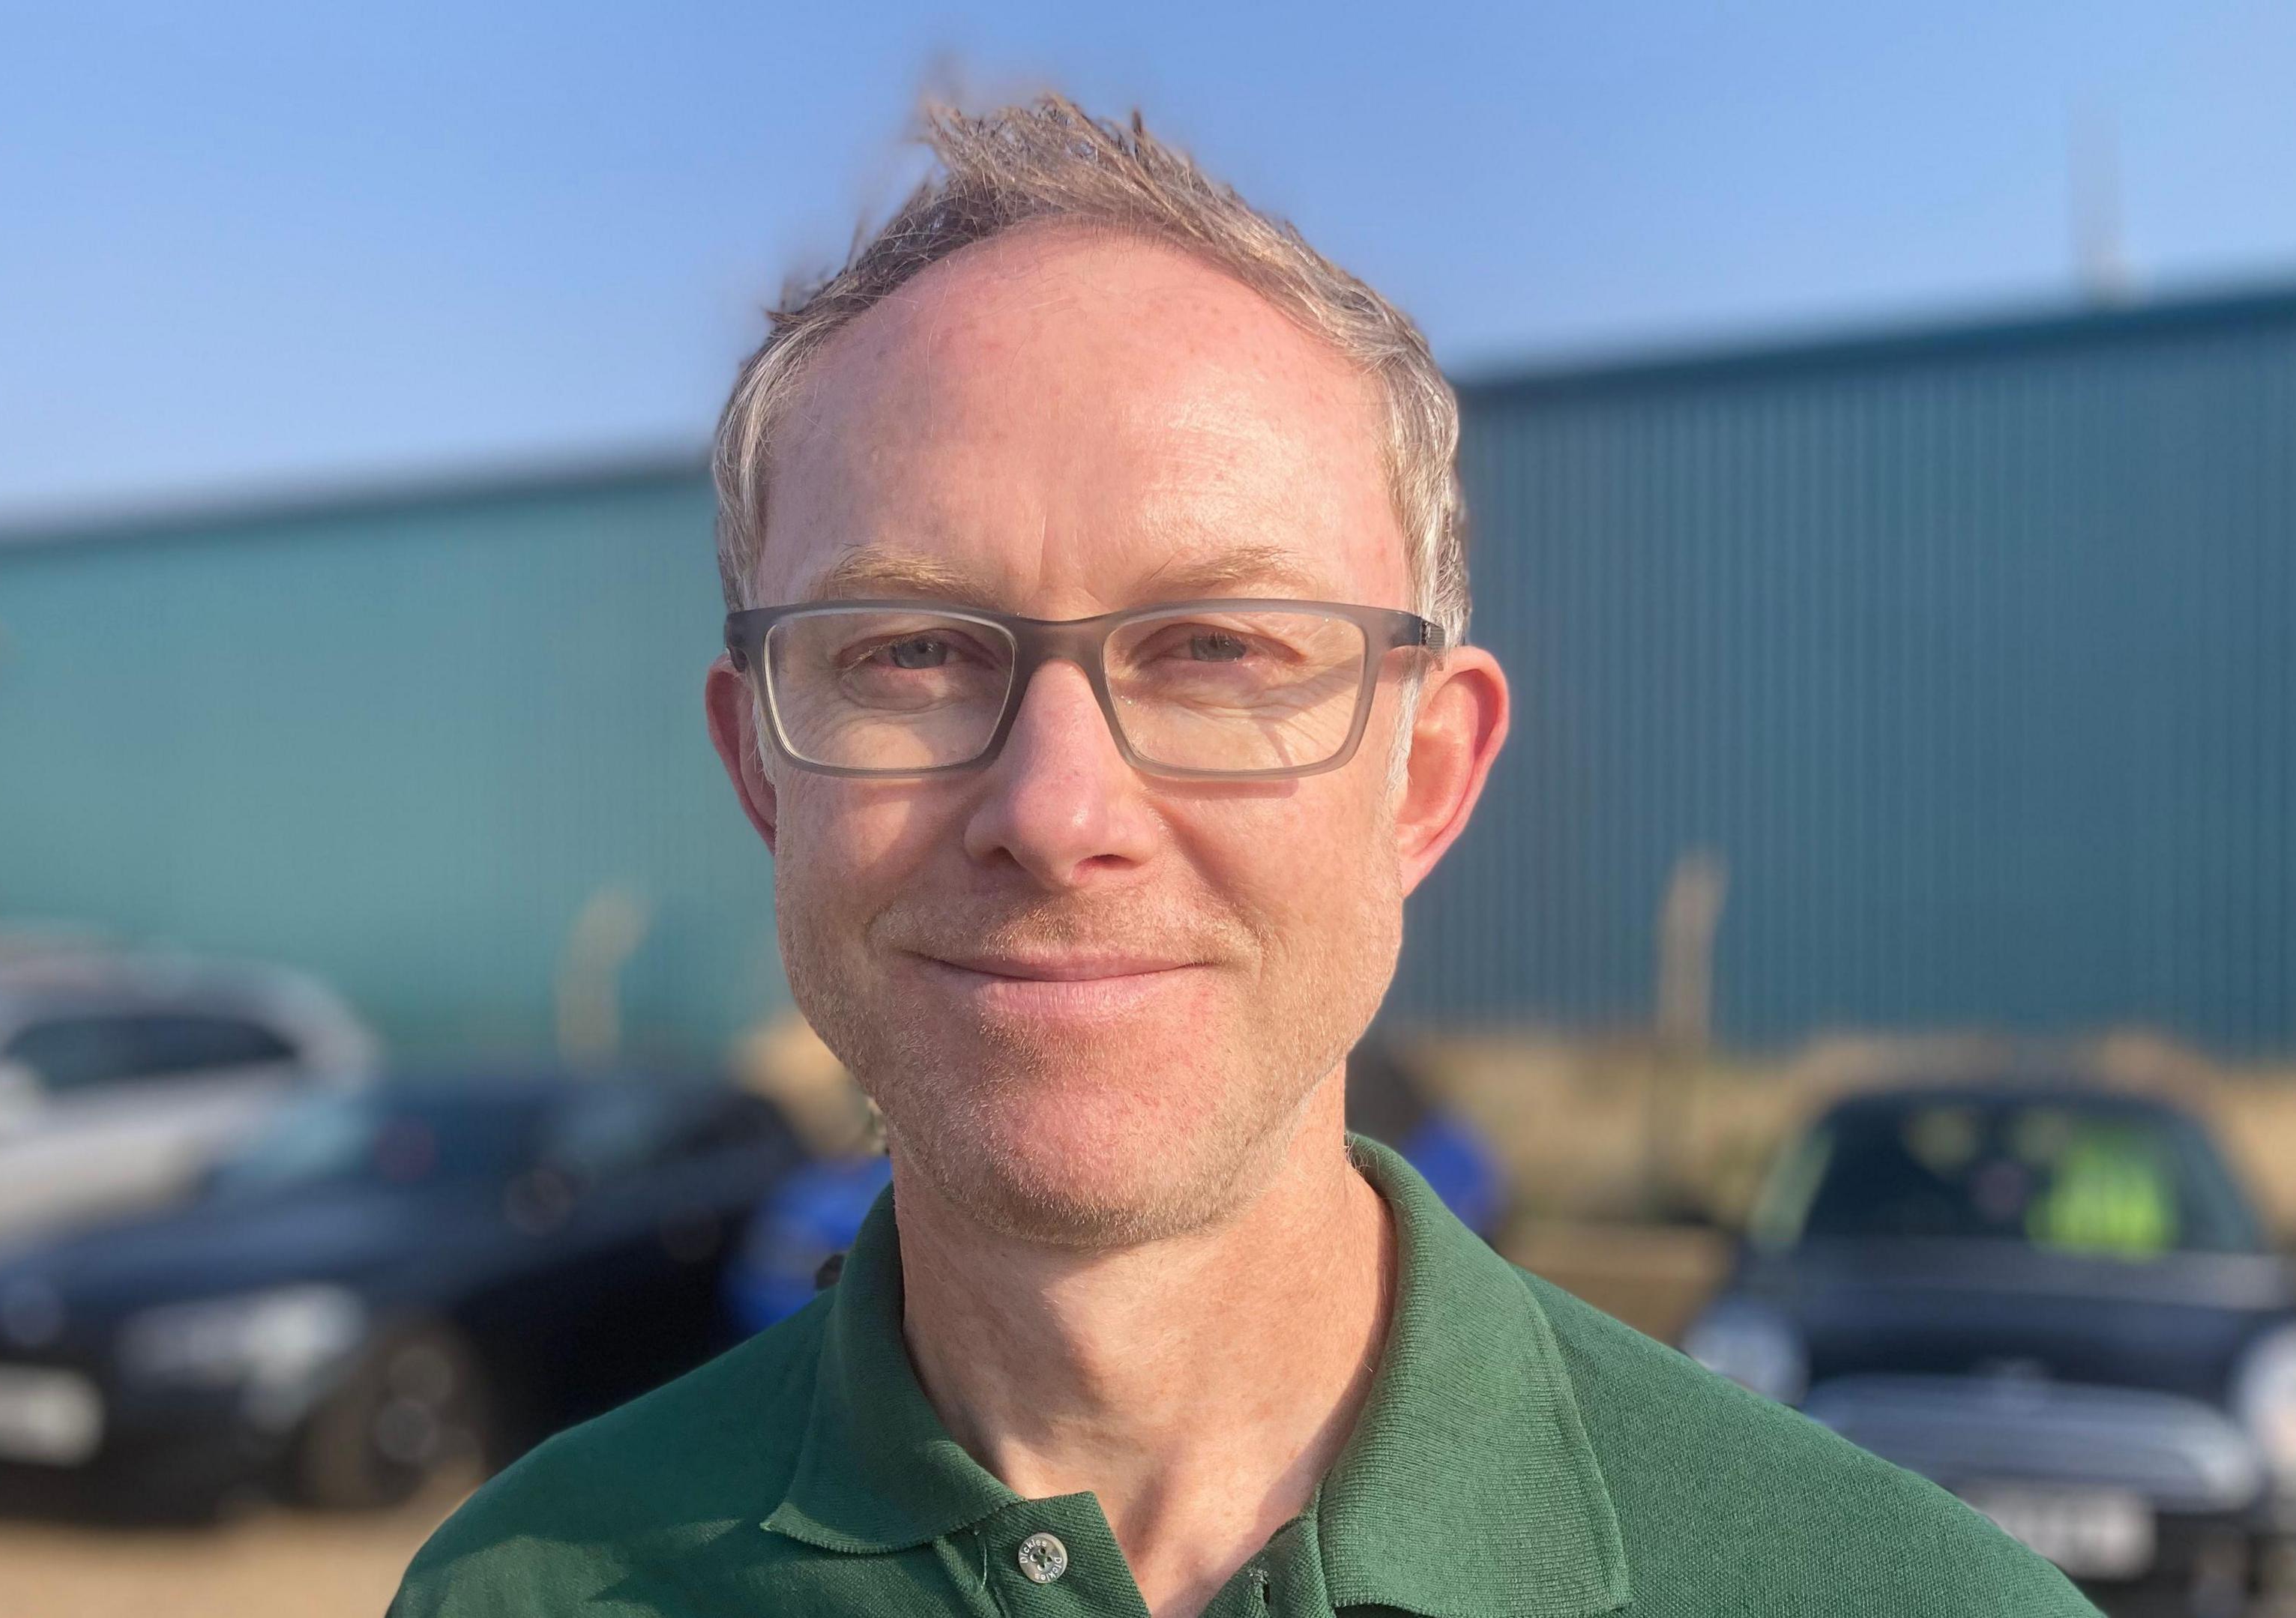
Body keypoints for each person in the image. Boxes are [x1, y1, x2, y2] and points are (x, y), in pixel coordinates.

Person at [391, 94, 2094, 1617]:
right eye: (908, 649)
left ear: (1426, 777)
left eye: (1216, 649)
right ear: (760, 762)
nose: (1058, 815)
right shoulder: (522, 1590)